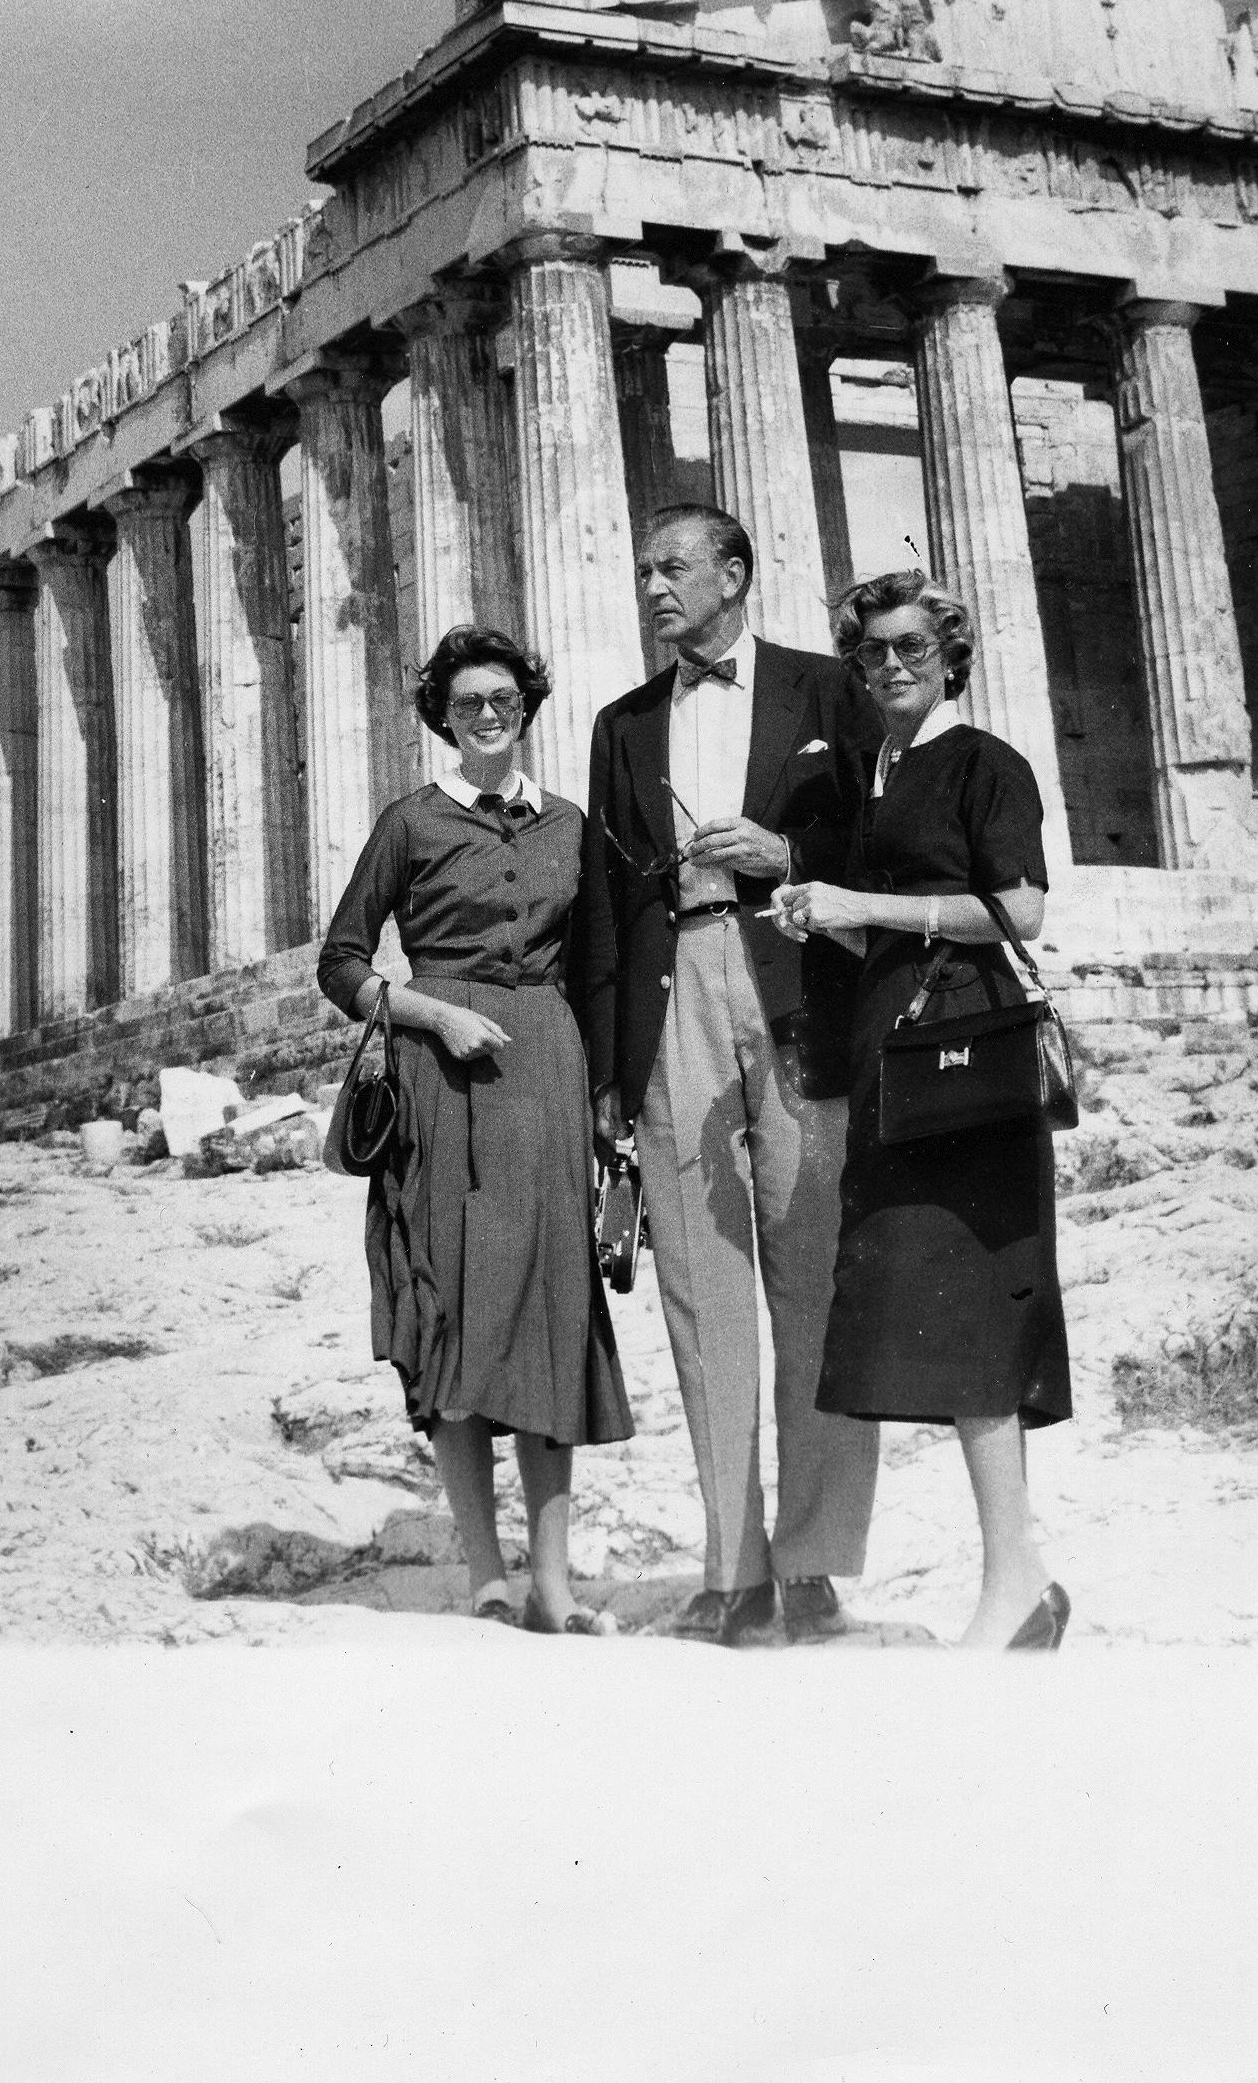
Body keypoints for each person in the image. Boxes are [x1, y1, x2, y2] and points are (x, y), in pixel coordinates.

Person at [579, 505, 883, 1646]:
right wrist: (612, 1066)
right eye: (643, 571)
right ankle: (733, 1565)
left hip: (800, 975)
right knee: (702, 1293)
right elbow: (608, 905)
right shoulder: (622, 723)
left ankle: (813, 1559)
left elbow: (882, 841)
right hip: (673, 993)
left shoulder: (827, 690)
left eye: (673, 567)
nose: (655, 588)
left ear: (735, 573)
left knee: (814, 1274)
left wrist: (789, 855)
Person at [771, 570, 1072, 1652]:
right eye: (869, 653)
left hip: (965, 1061)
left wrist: (865, 902)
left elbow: (1024, 904)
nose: (889, 665)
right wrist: (828, 916)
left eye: (909, 645)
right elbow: (894, 924)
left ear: (950, 652)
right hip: (894, 1054)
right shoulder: (881, 775)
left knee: (974, 1308)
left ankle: (1014, 1580)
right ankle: (1020, 1575)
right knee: (945, 1312)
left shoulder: (987, 761)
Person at [318, 624, 633, 1634]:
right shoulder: (409, 823)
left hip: (546, 1061)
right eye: (467, 704)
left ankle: (554, 1581)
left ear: (527, 705)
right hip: (438, 1075)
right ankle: (484, 1574)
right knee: (454, 1307)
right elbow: (340, 958)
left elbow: (596, 968)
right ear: (442, 719)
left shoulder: (570, 823)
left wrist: (604, 1103)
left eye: (502, 697)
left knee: (552, 1310)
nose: (487, 714)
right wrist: (428, 1011)